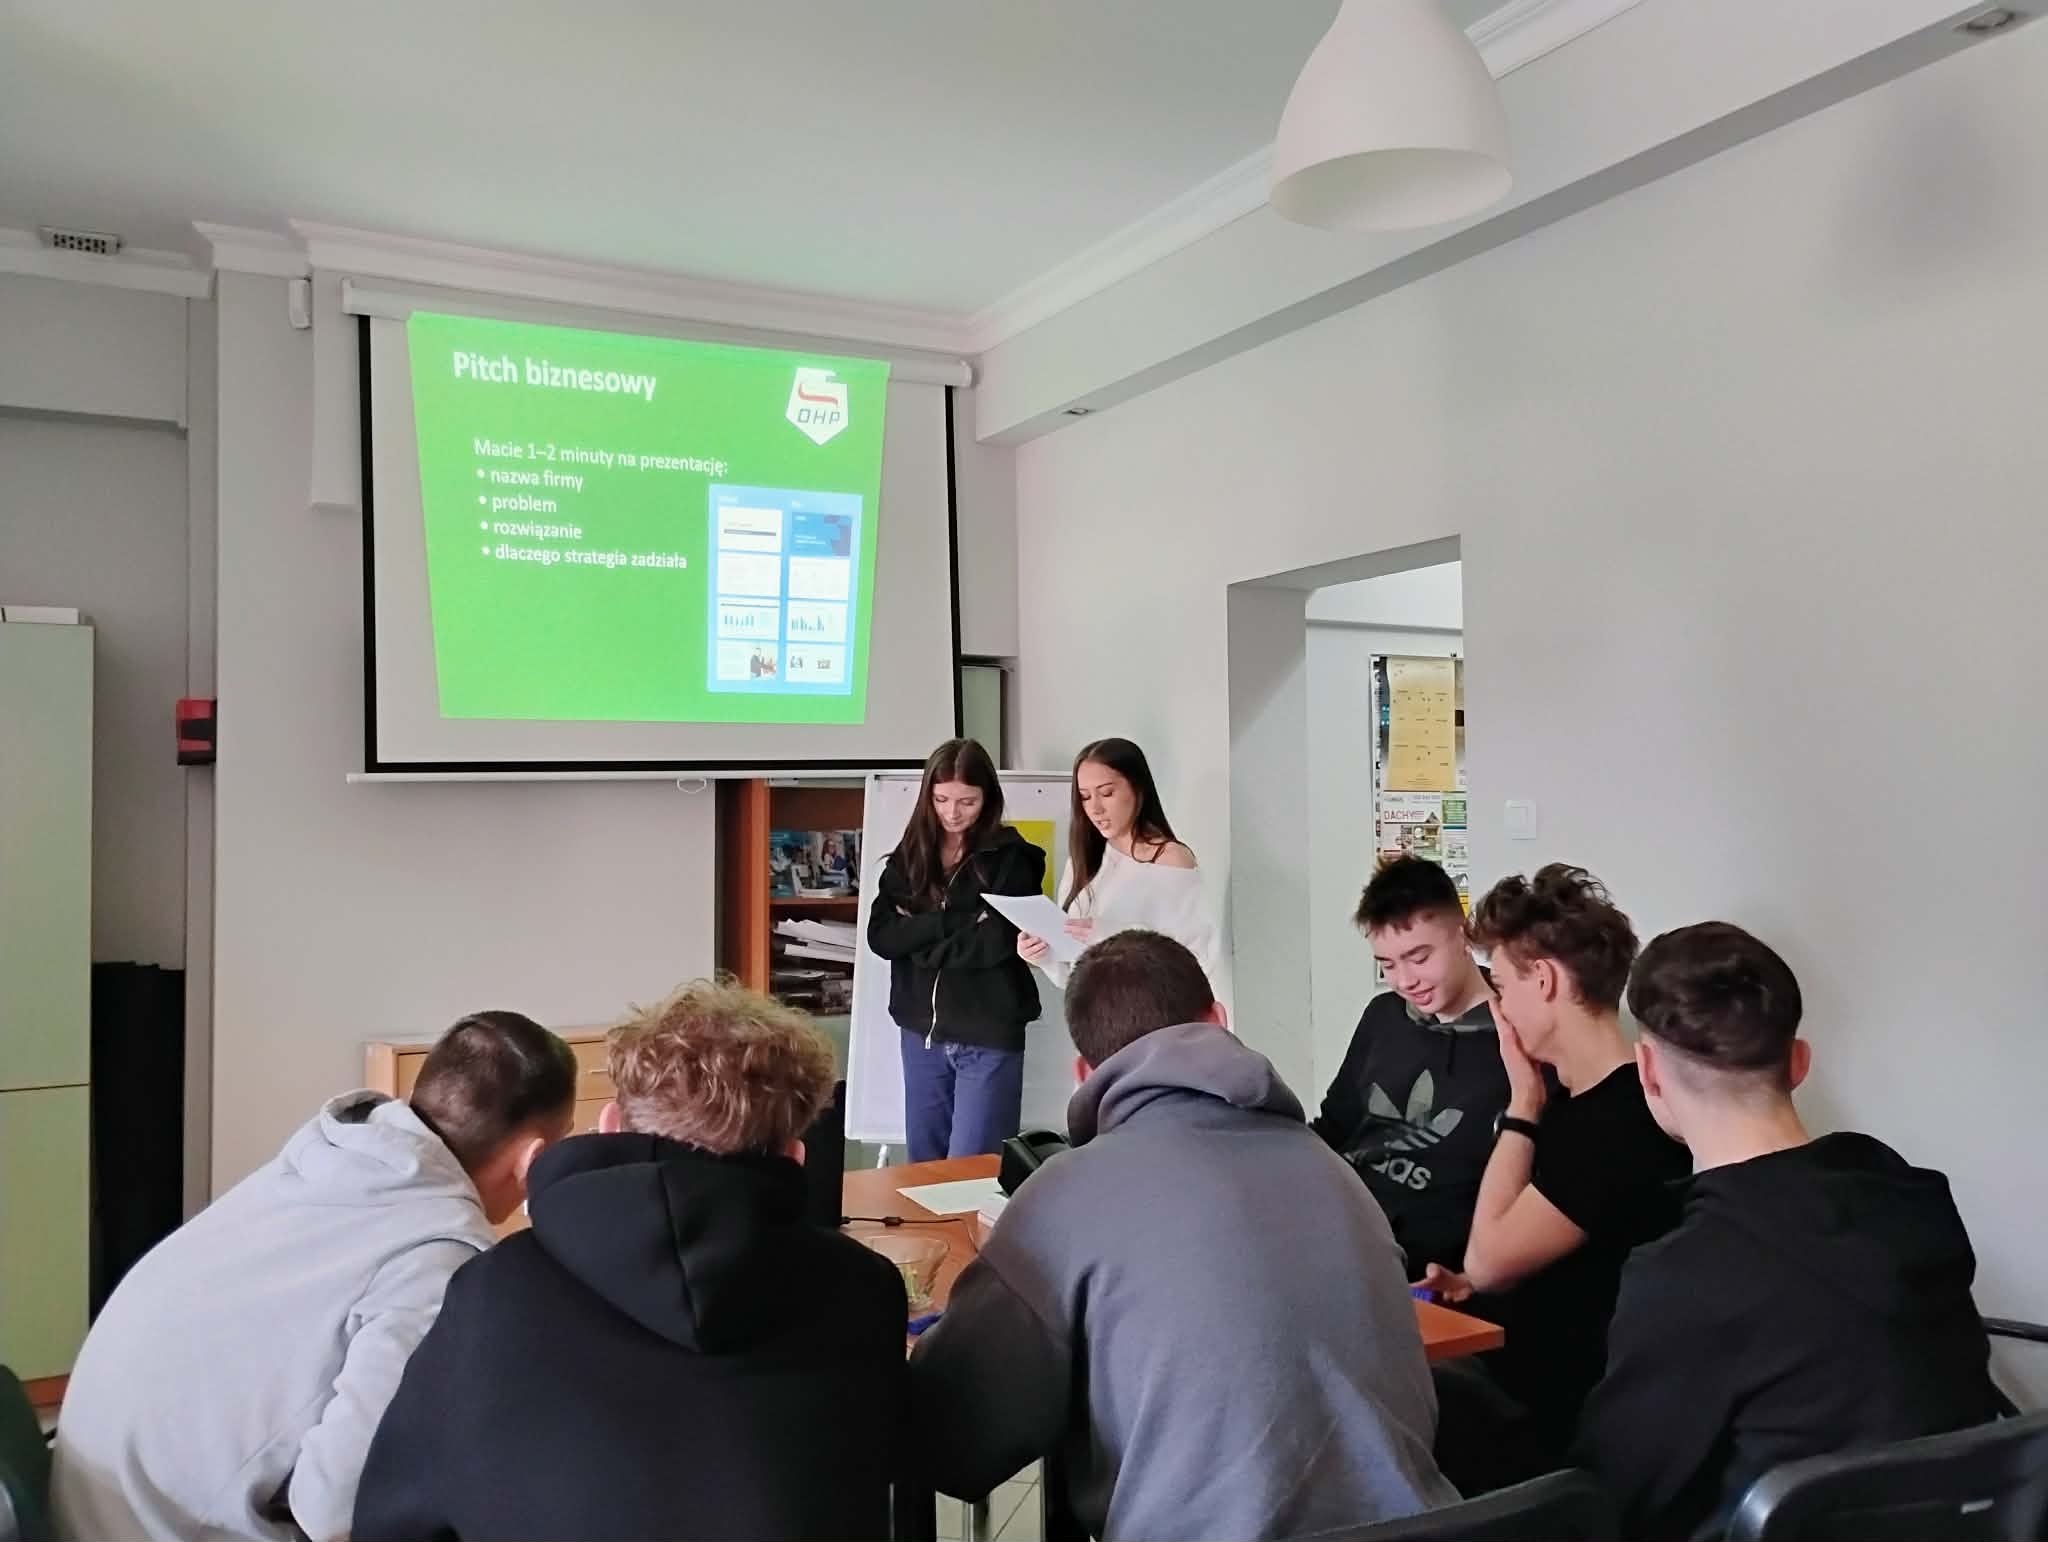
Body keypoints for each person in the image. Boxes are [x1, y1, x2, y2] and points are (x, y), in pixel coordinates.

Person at [911, 930, 1456, 1541]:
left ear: (1084, 1073)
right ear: (1217, 1021)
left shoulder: (1065, 1195)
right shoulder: (1332, 1169)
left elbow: (954, 1441)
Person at [351, 981, 909, 1542]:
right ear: (795, 1155)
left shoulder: (489, 1290)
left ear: (611, 1124)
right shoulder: (865, 1288)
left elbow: (393, 1521)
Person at [51, 1012, 577, 1542]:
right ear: (533, 1159)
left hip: (88, 1502)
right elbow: (334, 1514)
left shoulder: (328, 1159)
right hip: (156, 1527)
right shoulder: (435, 1258)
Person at [1576, 922, 2002, 1537]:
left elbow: (1613, 1497)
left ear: (1649, 1072)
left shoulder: (1684, 1276)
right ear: (1799, 1061)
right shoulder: (1908, 1193)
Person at [1419, 865, 1688, 1457]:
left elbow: (1490, 1261)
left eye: (1500, 985)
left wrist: (1522, 1103)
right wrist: (1467, 1285)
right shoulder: (1579, 1100)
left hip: (1553, 1412)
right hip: (1514, 1366)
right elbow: (1517, 1259)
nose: (1498, 1006)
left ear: (1542, 980)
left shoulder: (1622, 1121)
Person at [1313, 856, 1508, 1276]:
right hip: (1345, 1231)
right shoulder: (1384, 1015)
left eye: (1419, 957)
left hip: (1437, 1263)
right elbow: (1335, 1126)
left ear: (1462, 935)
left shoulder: (1517, 1032)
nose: (1404, 980)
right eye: (1387, 964)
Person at [869, 738, 1048, 1160]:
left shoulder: (1013, 859)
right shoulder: (910, 857)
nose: (952, 813)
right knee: (923, 1170)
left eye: (967, 801)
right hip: (921, 1034)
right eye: (941, 800)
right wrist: (951, 921)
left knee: (973, 1172)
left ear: (988, 799)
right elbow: (883, 937)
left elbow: (994, 943)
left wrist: (918, 940)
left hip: (988, 1036)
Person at [1017, 738, 1222, 996]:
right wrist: (1044, 956)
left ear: (1138, 788)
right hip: (1093, 1011)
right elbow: (1073, 973)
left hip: (1152, 1010)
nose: (1095, 809)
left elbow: (1196, 959)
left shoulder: (1170, 860)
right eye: (1085, 797)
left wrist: (1114, 939)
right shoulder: (1083, 861)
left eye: (1106, 793)